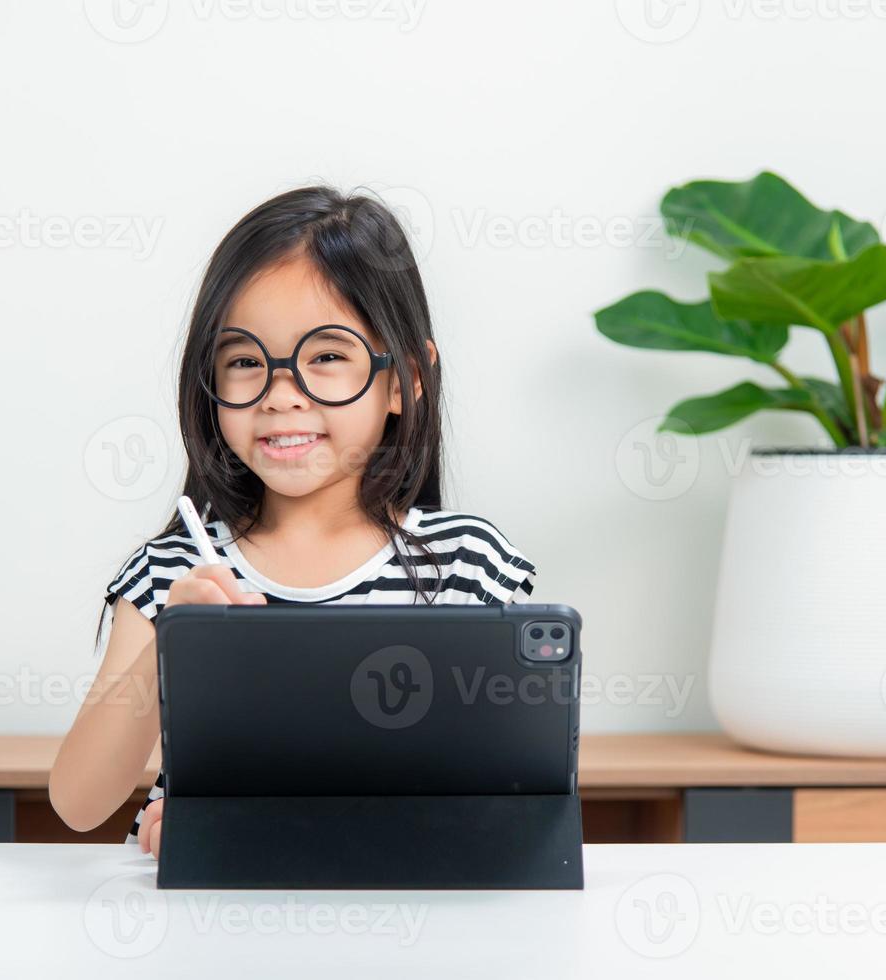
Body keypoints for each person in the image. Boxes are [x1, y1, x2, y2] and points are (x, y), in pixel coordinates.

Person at [49, 185, 537, 859]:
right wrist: (172, 645)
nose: (282, 397)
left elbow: (510, 793)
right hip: (199, 923)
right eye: (246, 361)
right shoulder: (173, 574)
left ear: (407, 379)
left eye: (327, 357)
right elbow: (78, 803)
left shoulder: (466, 565)